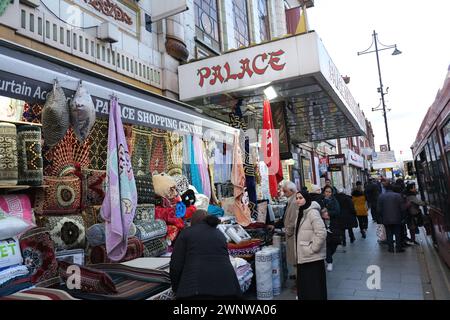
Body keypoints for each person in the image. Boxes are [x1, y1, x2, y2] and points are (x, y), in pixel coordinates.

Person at [170, 210, 242, 299]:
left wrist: (176, 288)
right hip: (228, 288)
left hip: (195, 289)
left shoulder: (186, 233)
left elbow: (176, 265)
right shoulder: (219, 234)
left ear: (193, 221)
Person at [294, 191, 327, 300]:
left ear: (306, 199)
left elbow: (321, 232)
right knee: (306, 284)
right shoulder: (301, 212)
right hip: (303, 255)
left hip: (311, 256)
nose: (298, 200)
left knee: (313, 285)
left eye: (300, 198)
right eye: (297, 198)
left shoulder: (312, 212)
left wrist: (313, 248)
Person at [377, 183, 406, 253]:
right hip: (397, 217)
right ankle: (398, 248)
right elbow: (402, 208)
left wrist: (381, 217)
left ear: (386, 189)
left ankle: (391, 248)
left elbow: (378, 209)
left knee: (389, 233)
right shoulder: (398, 196)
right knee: (397, 233)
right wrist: (403, 217)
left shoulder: (381, 196)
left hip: (386, 218)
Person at [280, 181, 300, 279]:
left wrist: (288, 232)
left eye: (285, 191)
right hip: (293, 235)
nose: (284, 193)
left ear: (291, 191)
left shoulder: (294, 201)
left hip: (293, 236)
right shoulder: (292, 199)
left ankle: (299, 284)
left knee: (296, 260)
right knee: (295, 260)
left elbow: (293, 220)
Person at [322, 185, 342, 271]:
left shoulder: (334, 201)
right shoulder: (321, 201)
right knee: (326, 244)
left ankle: (328, 256)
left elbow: (337, 211)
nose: (328, 193)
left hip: (333, 225)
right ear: (324, 192)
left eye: (329, 192)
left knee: (335, 243)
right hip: (322, 225)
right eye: (326, 191)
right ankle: (329, 261)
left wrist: (328, 213)